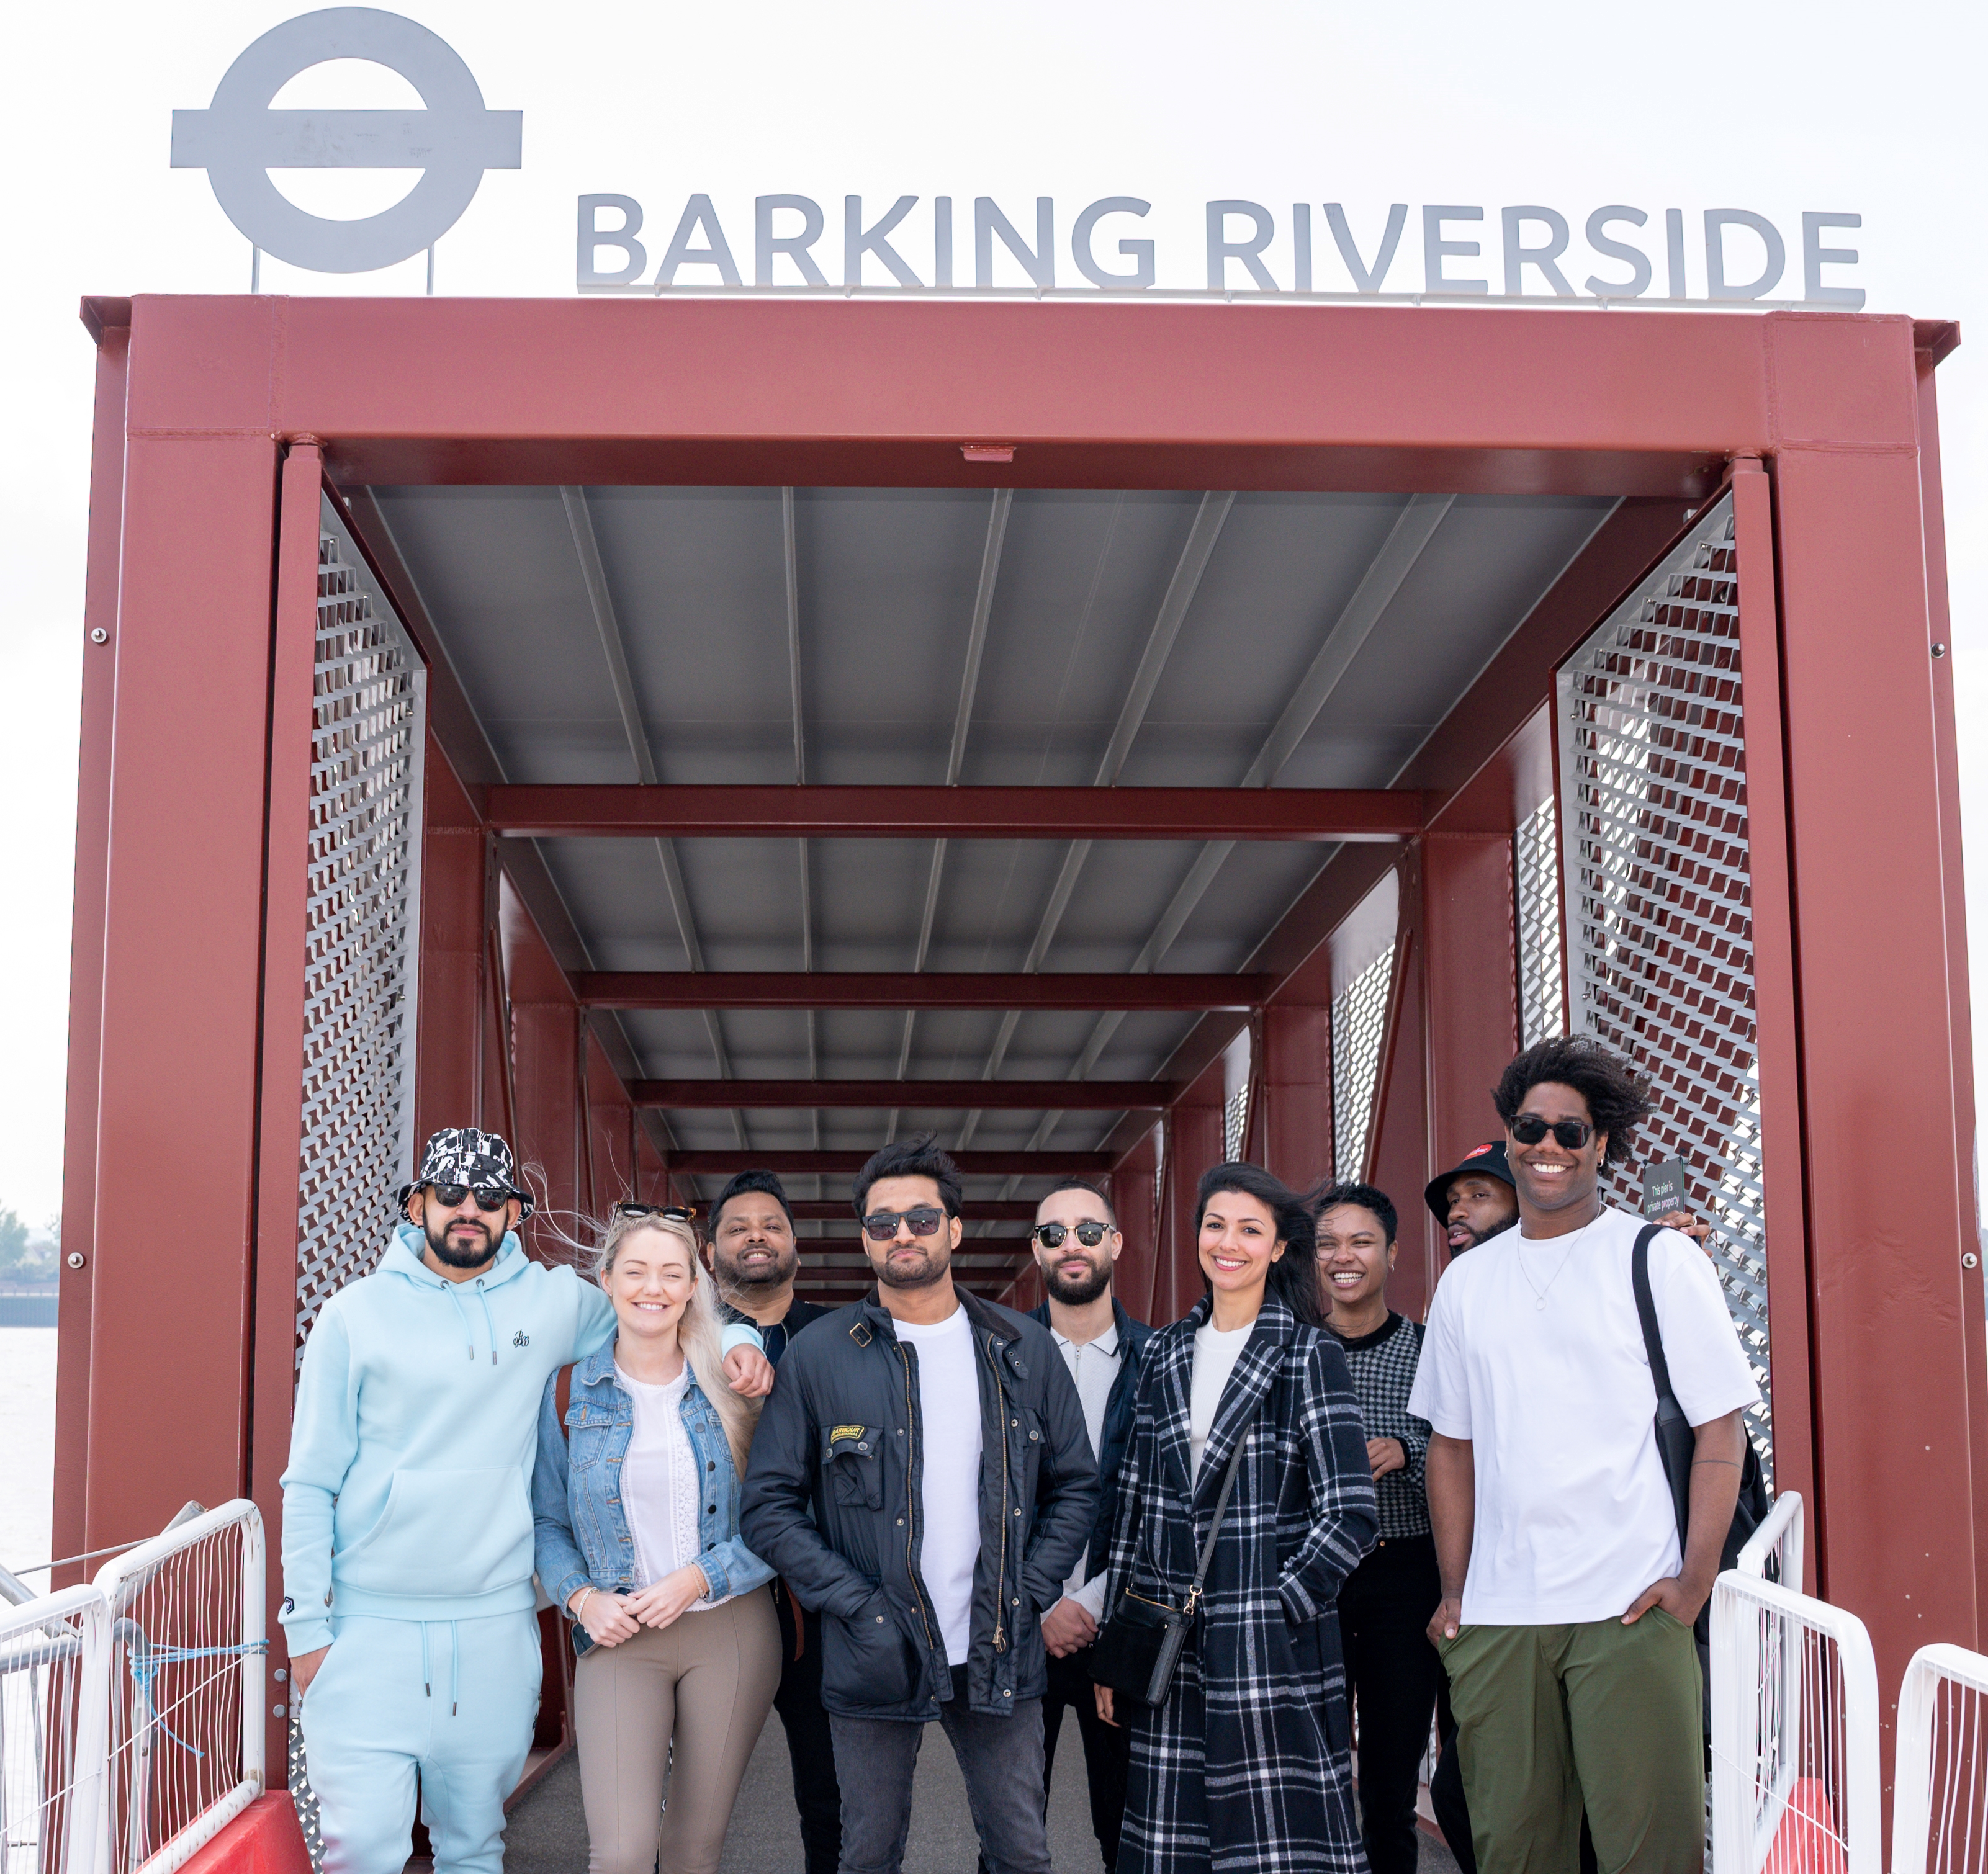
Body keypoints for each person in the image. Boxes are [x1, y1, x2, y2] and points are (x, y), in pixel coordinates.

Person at [281, 1129, 770, 1874]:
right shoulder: (352, 1317)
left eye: (490, 1197)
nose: (468, 1209)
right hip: (369, 1621)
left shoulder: (555, 1303)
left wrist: (743, 1339)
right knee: (361, 1852)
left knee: (475, 1845)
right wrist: (307, 1626)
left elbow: (665, 1306)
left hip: (494, 1625)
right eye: (450, 1194)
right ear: (416, 1203)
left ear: (516, 1212)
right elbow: (309, 1480)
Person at [1410, 1038, 1759, 1874]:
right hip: (1498, 1617)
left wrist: (1694, 1581)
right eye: (1530, 1128)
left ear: (1602, 1145)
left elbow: (1720, 1430)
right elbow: (1448, 1446)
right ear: (1508, 1135)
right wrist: (1455, 1593)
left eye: (1571, 1133)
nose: (1547, 1148)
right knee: (1514, 1856)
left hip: (1630, 1610)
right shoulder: (1465, 1282)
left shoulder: (1658, 1258)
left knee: (1649, 1854)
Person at [740, 1133, 1099, 1874]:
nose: (901, 1232)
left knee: (1021, 1853)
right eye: (881, 1222)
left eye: (920, 1218)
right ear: (864, 1239)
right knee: (866, 1853)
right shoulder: (820, 1355)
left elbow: (1076, 1485)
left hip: (996, 1645)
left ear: (953, 1229)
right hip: (874, 1647)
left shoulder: (1023, 1347)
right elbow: (769, 1504)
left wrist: (1028, 1592)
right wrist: (857, 1604)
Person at [1097, 1163, 1377, 1874]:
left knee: (1278, 1844)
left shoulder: (1309, 1353)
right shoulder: (1162, 1351)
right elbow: (1134, 1504)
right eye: (1215, 1224)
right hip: (1171, 1639)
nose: (1229, 1242)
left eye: (1250, 1229)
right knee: (1175, 1843)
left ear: (1279, 1247)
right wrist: (1117, 1643)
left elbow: (1348, 1510)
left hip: (1268, 1647)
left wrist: (1276, 1607)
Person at [533, 1210, 779, 1874]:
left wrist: (700, 1576)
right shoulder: (566, 1389)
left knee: (692, 1849)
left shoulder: (732, 1382)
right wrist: (581, 1597)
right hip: (618, 1636)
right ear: (607, 1280)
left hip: (728, 1629)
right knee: (620, 1853)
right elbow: (547, 1522)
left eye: (673, 1273)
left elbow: (778, 1511)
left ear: (693, 1285)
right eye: (636, 1270)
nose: (654, 1287)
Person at [1009, 1177, 1154, 1874]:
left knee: (1127, 1832)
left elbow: (1165, 1503)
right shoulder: (996, 1360)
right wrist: (1039, 1602)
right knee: (1008, 1838)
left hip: (1120, 1625)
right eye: (1054, 1232)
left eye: (1089, 1230)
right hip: (1018, 1626)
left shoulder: (1159, 1362)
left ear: (1116, 1243)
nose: (1072, 1244)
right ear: (1036, 1251)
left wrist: (1089, 1601)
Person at [704, 1169, 841, 1874]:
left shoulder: (842, 1336)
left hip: (813, 1601)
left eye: (771, 1224)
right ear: (709, 1251)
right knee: (688, 1796)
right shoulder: (675, 1338)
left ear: (795, 1245)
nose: (756, 1234)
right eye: (737, 1226)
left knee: (830, 1793)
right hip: (704, 1597)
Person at [1318, 1181, 1439, 1874]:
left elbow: (1465, 1455)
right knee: (1316, 1764)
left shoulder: (1427, 1348)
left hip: (1406, 1572)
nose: (1344, 1256)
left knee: (1391, 1779)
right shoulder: (1292, 1352)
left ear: (1390, 1253)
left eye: (1360, 1241)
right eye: (1329, 1243)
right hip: (1316, 1577)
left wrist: (1405, 1449)